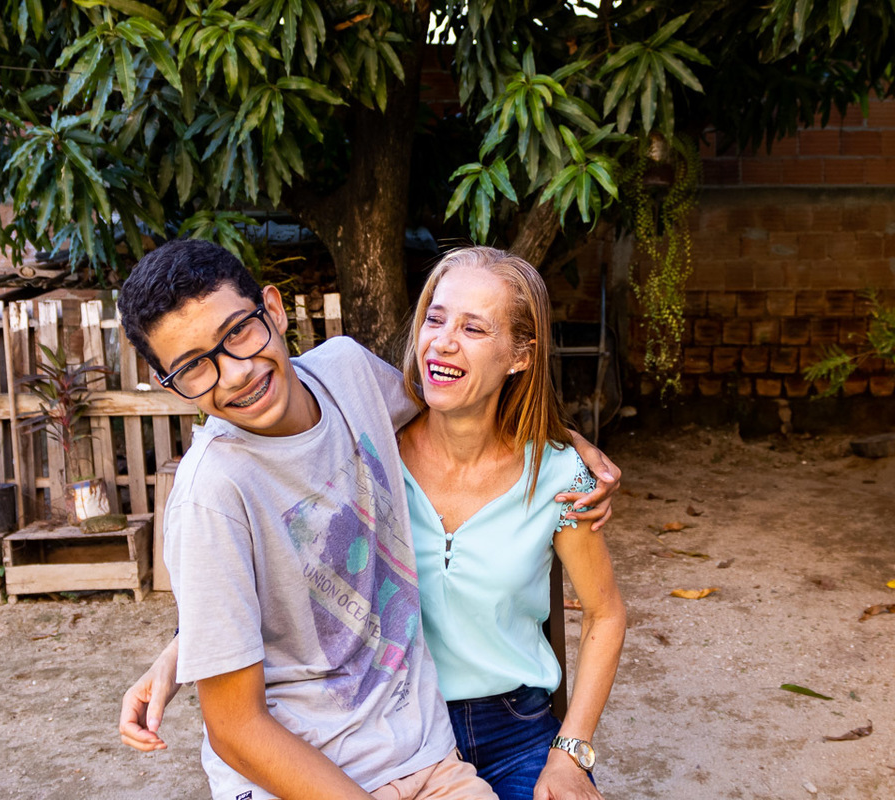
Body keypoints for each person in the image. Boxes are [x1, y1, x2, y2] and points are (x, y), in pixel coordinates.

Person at [115, 239, 622, 800]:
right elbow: (236, 721)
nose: (234, 374)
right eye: (192, 367)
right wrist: (194, 644)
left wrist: (565, 445)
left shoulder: (351, 384)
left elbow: (459, 401)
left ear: (274, 310)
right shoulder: (222, 492)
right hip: (324, 759)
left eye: (238, 332)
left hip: (438, 738)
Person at [397, 247, 626, 800]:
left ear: (520, 354)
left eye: (474, 327)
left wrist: (571, 753)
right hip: (396, 731)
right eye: (435, 317)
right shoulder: (372, 452)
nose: (443, 340)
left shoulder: (559, 474)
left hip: (516, 731)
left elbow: (605, 614)